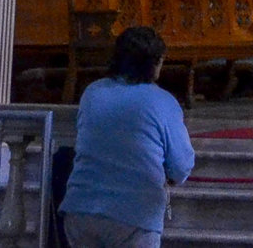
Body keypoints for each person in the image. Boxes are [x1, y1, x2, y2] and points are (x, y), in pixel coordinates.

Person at [58, 26, 194, 248]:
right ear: (155, 63)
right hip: (136, 214)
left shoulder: (92, 92)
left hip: (81, 209)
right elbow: (180, 166)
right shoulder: (162, 101)